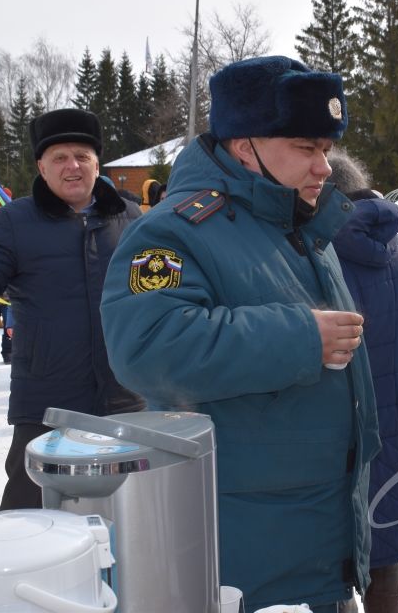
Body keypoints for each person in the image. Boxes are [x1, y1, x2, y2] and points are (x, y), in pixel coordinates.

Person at [100, 56, 379, 613]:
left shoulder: (298, 228)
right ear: (244, 145)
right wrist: (302, 338)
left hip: (317, 539)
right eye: (306, 148)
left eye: (326, 148)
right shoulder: (176, 229)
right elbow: (147, 345)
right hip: (245, 553)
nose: (324, 166)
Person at [0, 108, 144, 510]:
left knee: (133, 512)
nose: (72, 166)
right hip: (48, 397)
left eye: (82, 155)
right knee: (30, 510)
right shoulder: (16, 221)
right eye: (59, 157)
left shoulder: (130, 218)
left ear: (97, 162)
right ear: (42, 167)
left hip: (126, 394)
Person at [329, 149, 398, 612]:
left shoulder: (315, 253)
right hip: (395, 433)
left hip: (332, 437)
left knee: (327, 561)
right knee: (385, 553)